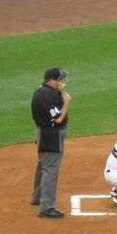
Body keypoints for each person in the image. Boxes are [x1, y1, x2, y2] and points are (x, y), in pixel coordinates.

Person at [30, 68, 72, 219]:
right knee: (50, 170)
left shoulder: (42, 91)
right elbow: (58, 119)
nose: (62, 82)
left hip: (44, 133)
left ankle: (37, 198)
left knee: (43, 166)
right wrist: (66, 103)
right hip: (51, 135)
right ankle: (46, 208)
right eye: (60, 79)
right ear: (52, 80)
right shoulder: (47, 95)